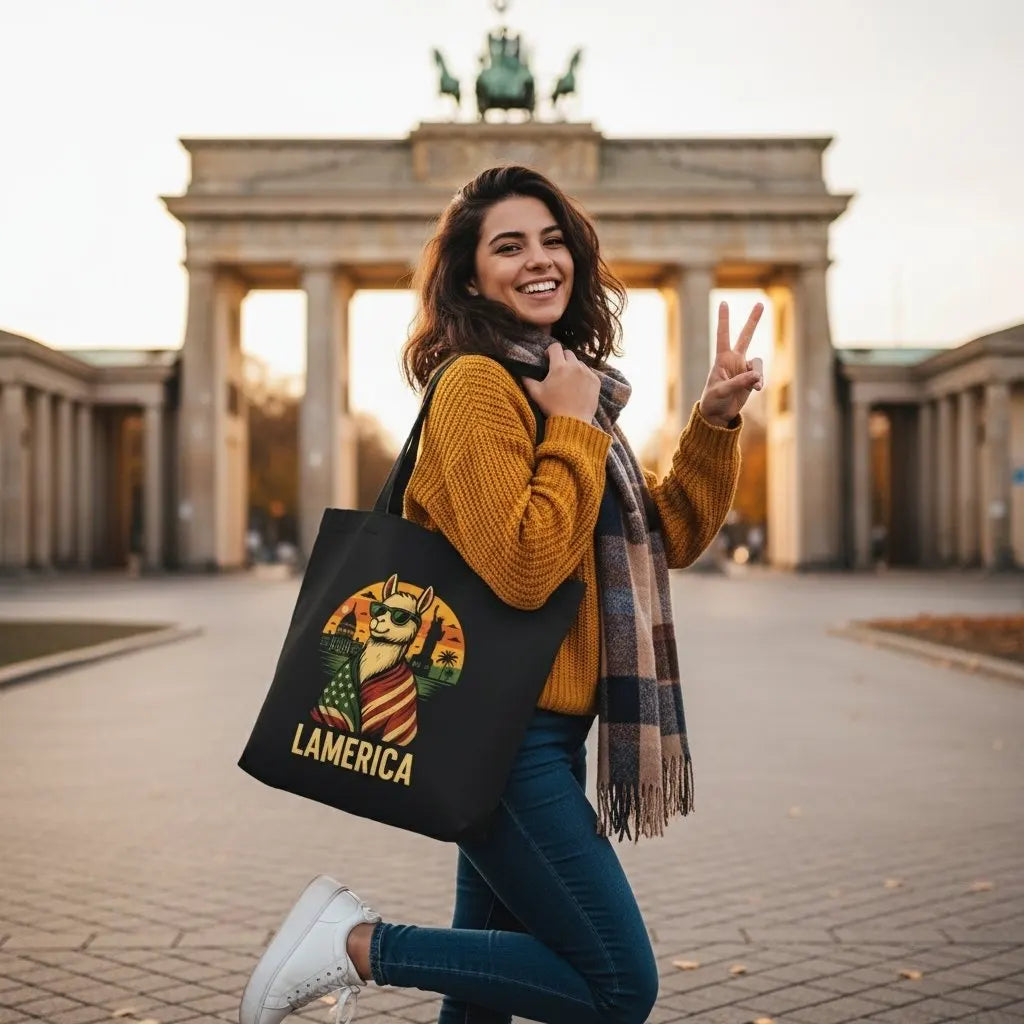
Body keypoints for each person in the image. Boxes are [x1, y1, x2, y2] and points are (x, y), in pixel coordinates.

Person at [239, 166, 764, 1024]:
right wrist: (566, 425)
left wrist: (711, 421)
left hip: (540, 732)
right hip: (504, 734)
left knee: (483, 993)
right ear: (470, 275)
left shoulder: (565, 383)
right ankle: (355, 944)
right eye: (508, 245)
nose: (538, 260)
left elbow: (664, 539)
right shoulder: (482, 386)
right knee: (617, 984)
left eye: (553, 240)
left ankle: (358, 946)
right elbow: (524, 566)